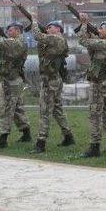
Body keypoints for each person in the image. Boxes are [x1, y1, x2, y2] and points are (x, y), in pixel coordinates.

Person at [0, 15, 31, 149]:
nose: (9, 32)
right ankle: (26, 133)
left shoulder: (17, 43)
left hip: (11, 81)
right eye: (7, 30)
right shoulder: (16, 42)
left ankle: (3, 138)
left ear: (18, 31)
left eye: (11, 30)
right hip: (13, 79)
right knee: (16, 109)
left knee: (5, 110)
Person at [77, 14, 106, 158]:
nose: (99, 30)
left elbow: (82, 41)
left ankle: (94, 146)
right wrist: (90, 32)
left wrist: (84, 24)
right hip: (105, 81)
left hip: (99, 82)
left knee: (95, 113)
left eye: (102, 28)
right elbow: (93, 54)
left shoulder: (105, 43)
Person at [30, 15, 75, 153]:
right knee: (57, 110)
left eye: (51, 27)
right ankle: (68, 136)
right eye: (47, 27)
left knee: (44, 111)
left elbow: (37, 36)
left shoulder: (57, 39)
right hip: (52, 79)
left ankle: (41, 142)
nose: (48, 29)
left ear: (58, 29)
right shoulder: (55, 40)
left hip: (50, 80)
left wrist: (34, 21)